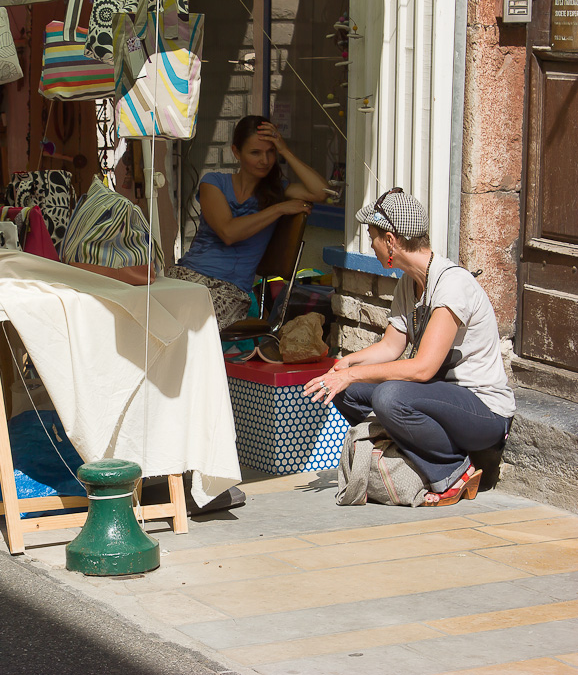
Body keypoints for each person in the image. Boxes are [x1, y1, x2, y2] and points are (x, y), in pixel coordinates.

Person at [303, 188, 515, 507]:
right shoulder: (410, 282)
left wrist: (356, 375)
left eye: (372, 236)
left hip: (482, 413)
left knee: (389, 396)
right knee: (345, 389)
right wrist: (346, 366)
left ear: (390, 240)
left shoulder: (451, 285)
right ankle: (419, 456)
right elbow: (391, 346)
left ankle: (453, 470)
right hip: (437, 398)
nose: (370, 244)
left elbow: (423, 368)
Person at [167, 115, 330, 332]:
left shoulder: (278, 190)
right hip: (187, 277)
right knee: (148, 313)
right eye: (255, 152)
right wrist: (279, 208)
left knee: (176, 324)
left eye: (270, 152)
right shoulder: (214, 182)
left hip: (228, 291)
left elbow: (322, 192)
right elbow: (229, 232)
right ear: (236, 152)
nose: (265, 160)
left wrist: (285, 151)